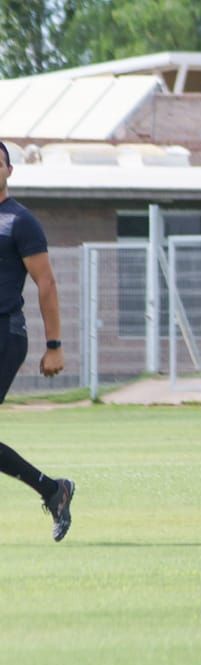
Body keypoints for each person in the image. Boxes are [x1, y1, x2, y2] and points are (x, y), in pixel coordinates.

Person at [0, 140, 74, 542]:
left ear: (9, 170)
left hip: (4, 332)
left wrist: (54, 344)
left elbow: (46, 282)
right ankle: (52, 488)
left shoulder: (19, 221)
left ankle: (53, 489)